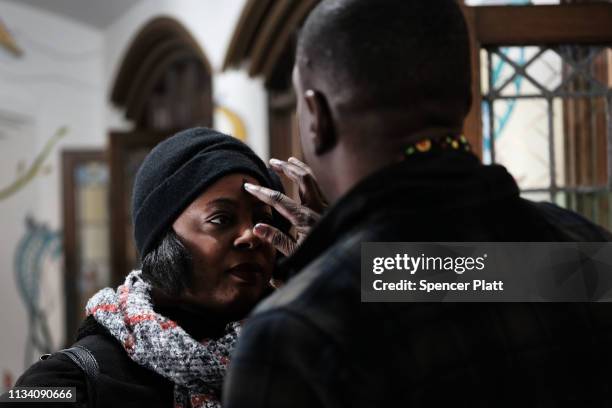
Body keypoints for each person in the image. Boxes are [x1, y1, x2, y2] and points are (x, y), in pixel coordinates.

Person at [223, 1, 612, 407]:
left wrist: (337, 266)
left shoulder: (295, 336)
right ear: (465, 97)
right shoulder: (586, 256)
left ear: (317, 117)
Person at [12, 127, 321, 408]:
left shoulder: (306, 351)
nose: (252, 235)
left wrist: (355, 247)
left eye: (262, 220)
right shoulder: (75, 380)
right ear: (164, 238)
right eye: (222, 219)